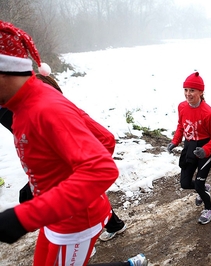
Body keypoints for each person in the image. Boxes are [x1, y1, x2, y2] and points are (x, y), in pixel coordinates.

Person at [0, 20, 147, 266]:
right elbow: (99, 140)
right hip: (54, 215)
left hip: (75, 221)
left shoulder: (46, 108)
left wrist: (24, 217)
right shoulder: (24, 104)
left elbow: (102, 169)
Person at [0, 73, 128, 244]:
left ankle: (115, 232)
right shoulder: (25, 112)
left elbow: (105, 147)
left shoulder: (52, 111)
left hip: (76, 217)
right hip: (62, 200)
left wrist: (77, 172)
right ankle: (114, 226)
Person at [167, 72, 211, 225]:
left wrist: (205, 149)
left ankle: (209, 209)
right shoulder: (182, 106)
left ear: (201, 92)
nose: (188, 94)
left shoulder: (208, 113)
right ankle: (204, 187)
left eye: (192, 90)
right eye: (186, 90)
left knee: (198, 184)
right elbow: (181, 125)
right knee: (184, 183)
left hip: (205, 149)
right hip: (189, 146)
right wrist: (175, 141)